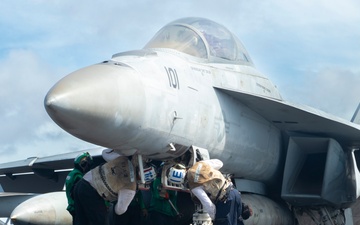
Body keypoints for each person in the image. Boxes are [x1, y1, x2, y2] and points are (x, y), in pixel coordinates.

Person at [73, 149, 137, 225]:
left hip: (81, 183)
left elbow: (105, 152)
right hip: (92, 192)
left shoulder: (122, 158)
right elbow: (119, 210)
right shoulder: (131, 187)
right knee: (100, 221)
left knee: (81, 220)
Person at [65, 152, 93, 224]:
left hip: (73, 207)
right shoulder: (78, 176)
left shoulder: (72, 174)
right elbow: (84, 192)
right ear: (83, 164)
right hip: (78, 208)